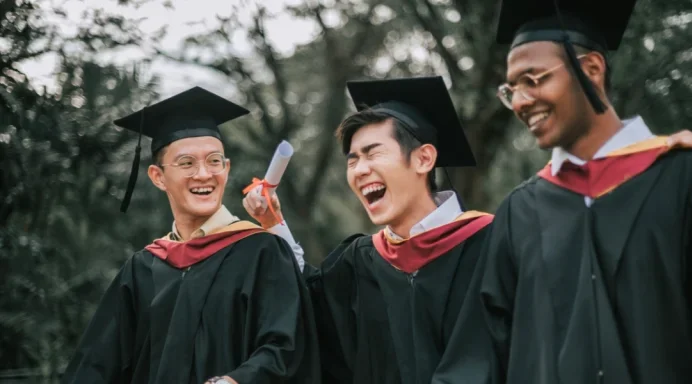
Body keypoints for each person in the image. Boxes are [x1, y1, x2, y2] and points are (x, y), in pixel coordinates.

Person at [434, 0, 692, 383]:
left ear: (591, 69)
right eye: (512, 90)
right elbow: (479, 358)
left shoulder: (691, 179)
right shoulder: (519, 213)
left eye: (534, 79)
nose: (522, 102)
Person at [62, 87, 320, 384]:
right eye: (187, 163)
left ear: (227, 168)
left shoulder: (262, 252)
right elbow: (96, 364)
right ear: (158, 177)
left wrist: (235, 381)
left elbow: (288, 347)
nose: (203, 174)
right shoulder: (142, 269)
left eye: (214, 161)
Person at [245, 76, 494, 384]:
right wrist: (273, 223)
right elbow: (310, 310)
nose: (360, 170)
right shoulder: (361, 261)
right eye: (353, 160)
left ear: (423, 158)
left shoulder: (492, 245)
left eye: (373, 153)